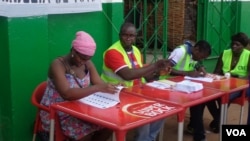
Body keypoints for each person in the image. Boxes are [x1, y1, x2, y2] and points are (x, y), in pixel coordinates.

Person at [40, 31, 119, 141]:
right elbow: (66, 93)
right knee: (84, 135)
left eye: (88, 58)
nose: (84, 62)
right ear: (73, 50)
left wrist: (113, 87)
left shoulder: (87, 63)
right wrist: (97, 88)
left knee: (109, 126)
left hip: (80, 110)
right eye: (82, 58)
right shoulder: (58, 65)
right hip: (58, 114)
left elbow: (99, 83)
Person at [101, 22, 172, 141]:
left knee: (163, 107)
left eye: (131, 35)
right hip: (117, 93)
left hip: (136, 91)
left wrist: (158, 72)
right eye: (125, 35)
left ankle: (149, 138)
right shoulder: (113, 52)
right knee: (143, 113)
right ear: (119, 35)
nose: (128, 38)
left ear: (135, 36)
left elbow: (141, 72)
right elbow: (127, 75)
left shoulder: (135, 50)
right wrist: (155, 66)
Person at [166, 40, 212, 141]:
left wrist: (202, 70)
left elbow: (196, 64)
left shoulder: (193, 54)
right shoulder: (180, 52)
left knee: (199, 101)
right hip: (169, 86)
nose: (201, 59)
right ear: (196, 49)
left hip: (183, 86)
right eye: (201, 56)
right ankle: (199, 135)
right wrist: (187, 73)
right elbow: (166, 68)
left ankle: (197, 133)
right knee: (197, 102)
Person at [206, 32, 250, 132]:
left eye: (237, 45)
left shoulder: (248, 55)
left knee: (225, 97)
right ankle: (219, 120)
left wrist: (236, 81)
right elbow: (217, 72)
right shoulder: (225, 53)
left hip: (241, 85)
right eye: (233, 43)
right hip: (225, 83)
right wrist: (218, 78)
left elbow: (249, 76)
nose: (234, 46)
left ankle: (218, 122)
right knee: (207, 97)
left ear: (243, 46)